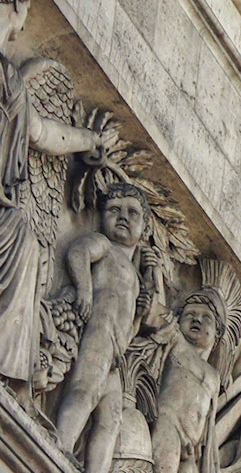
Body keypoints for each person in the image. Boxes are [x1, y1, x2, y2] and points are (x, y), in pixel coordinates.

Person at [0, 0, 103, 402]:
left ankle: (10, 377)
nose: (21, 26)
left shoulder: (10, 78)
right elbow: (43, 135)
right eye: (22, 9)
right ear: (16, 3)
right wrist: (88, 140)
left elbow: (41, 134)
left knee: (20, 234)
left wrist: (85, 140)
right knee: (21, 236)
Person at [54, 183, 150, 473]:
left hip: (117, 352)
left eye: (132, 213)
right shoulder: (104, 246)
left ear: (144, 228)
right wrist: (84, 289)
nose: (123, 217)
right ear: (100, 216)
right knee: (85, 390)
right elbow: (78, 252)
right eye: (114, 210)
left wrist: (138, 317)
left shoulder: (134, 274)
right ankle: (61, 446)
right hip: (98, 330)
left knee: (111, 418)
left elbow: (129, 327)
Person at [150, 286, 225, 473]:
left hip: (191, 448)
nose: (197, 319)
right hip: (168, 425)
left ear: (216, 333)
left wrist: (200, 449)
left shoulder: (214, 377)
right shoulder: (177, 341)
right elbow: (152, 313)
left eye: (206, 317)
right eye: (190, 314)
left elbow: (208, 419)